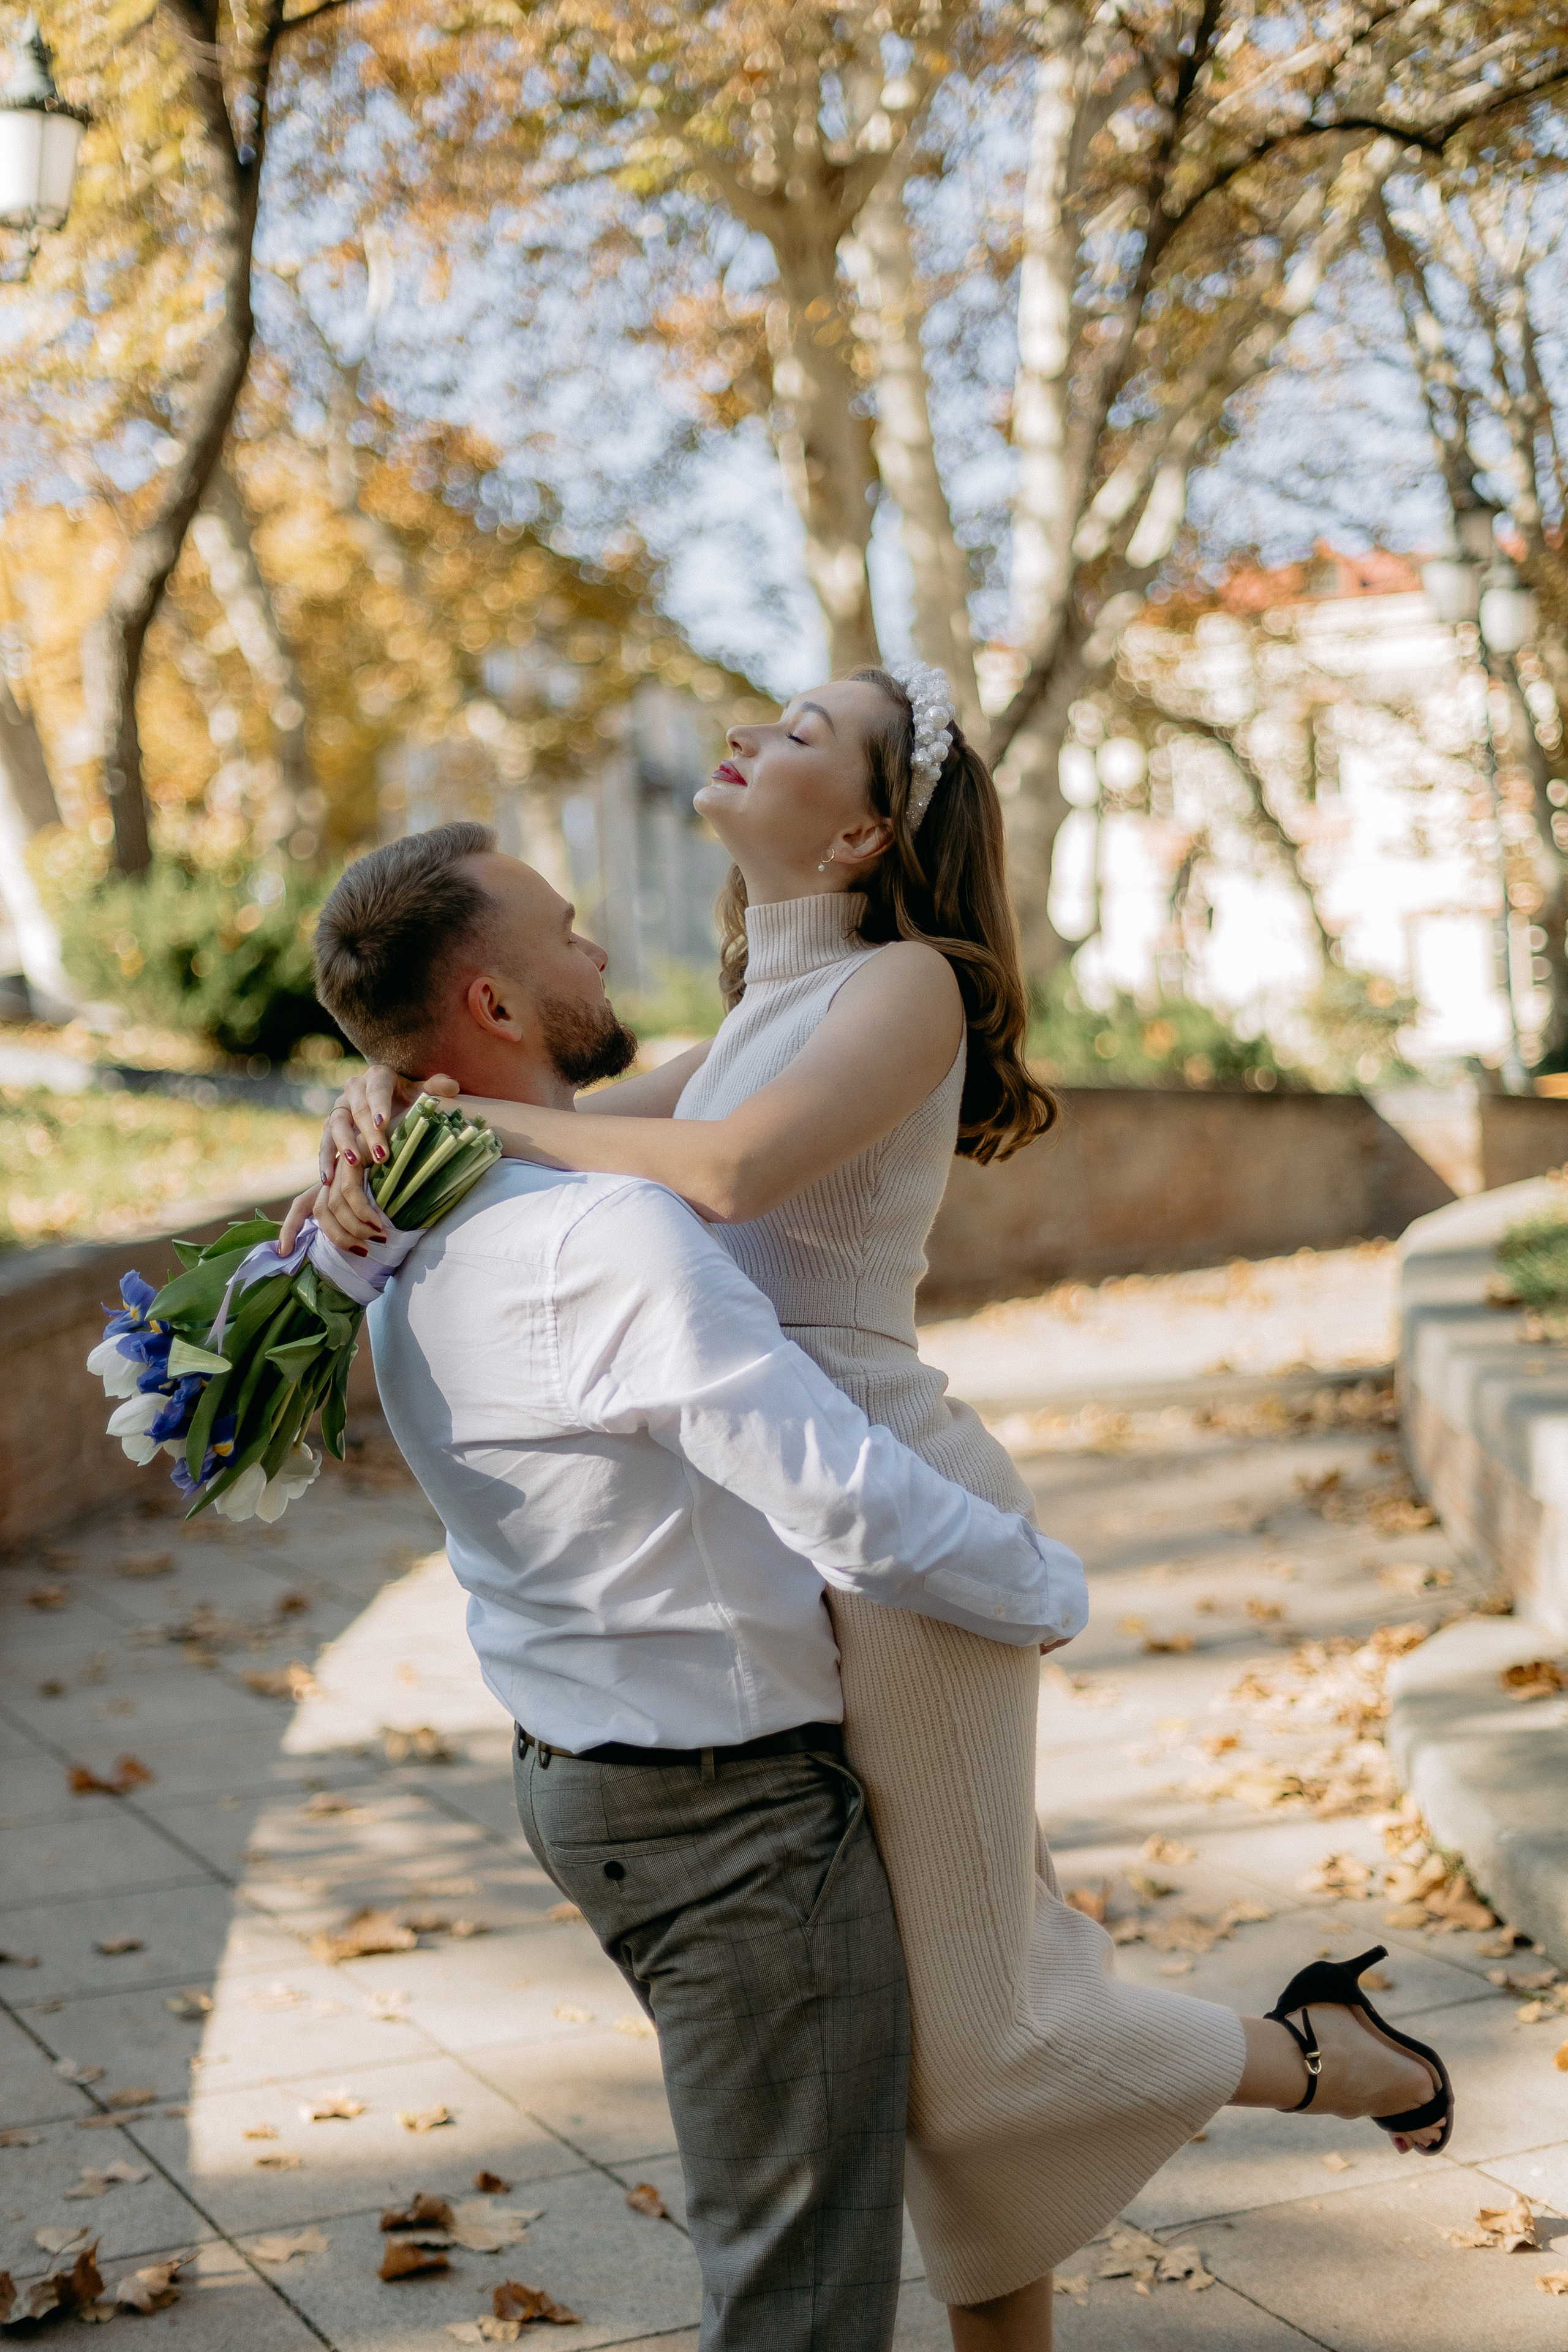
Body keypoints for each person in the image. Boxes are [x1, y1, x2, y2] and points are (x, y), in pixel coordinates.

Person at [292, 671, 1452, 2350]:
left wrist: (479, 1116)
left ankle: (1330, 2057)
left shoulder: (908, 984)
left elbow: (732, 1173)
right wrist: (387, 1126)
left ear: (860, 830)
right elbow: (531, 1137)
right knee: (948, 2044)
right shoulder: (752, 1008)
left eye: (809, 735)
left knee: (978, 2047)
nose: (752, 734)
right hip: (805, 1534)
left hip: (892, 1511)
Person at [304, 824, 1091, 2352]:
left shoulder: (406, 1219)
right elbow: (843, 1502)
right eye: (565, 930)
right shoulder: (599, 1231)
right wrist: (1045, 1586)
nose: (596, 948)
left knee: (804, 2229)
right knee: (799, 2297)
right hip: (724, 1822)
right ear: (496, 1008)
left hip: (587, 1781)